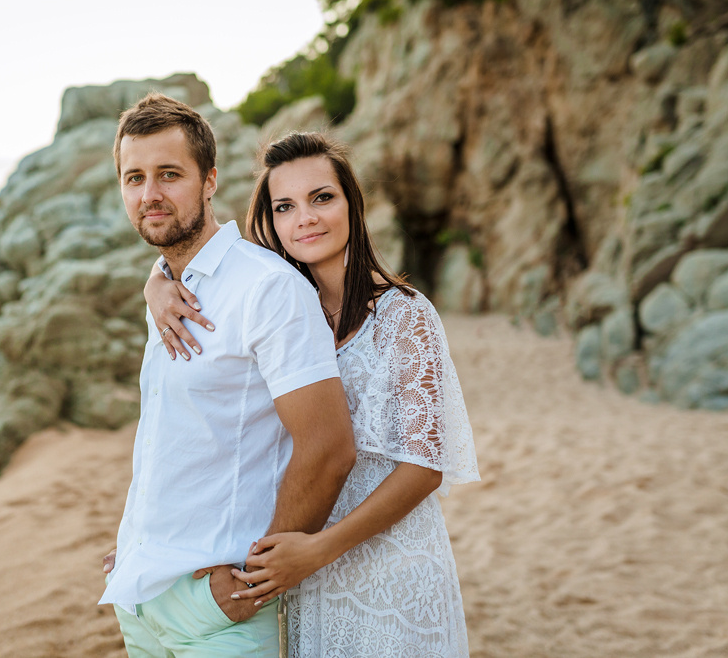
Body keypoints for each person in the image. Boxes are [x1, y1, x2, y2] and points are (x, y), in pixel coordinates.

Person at [144, 132, 480, 656]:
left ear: (352, 203)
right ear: (272, 221)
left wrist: (319, 550)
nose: (305, 218)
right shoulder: (279, 306)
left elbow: (424, 467)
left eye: (322, 197)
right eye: (285, 206)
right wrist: (158, 281)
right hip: (307, 575)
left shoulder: (405, 316)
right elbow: (199, 254)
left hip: (388, 567)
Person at [98, 96, 357, 657]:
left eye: (170, 174)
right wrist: (138, 543)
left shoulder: (267, 287)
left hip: (221, 611)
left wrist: (253, 582)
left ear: (210, 179)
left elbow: (329, 447)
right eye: (134, 178)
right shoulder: (167, 289)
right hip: (142, 599)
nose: (150, 195)